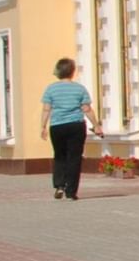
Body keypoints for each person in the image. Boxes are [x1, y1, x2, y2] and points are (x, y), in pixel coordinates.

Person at [40, 58, 100, 202]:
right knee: (74, 157)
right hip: (76, 126)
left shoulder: (51, 89)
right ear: (72, 72)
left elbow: (46, 109)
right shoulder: (79, 89)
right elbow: (87, 109)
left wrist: (43, 127)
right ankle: (71, 191)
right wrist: (96, 125)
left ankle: (59, 185)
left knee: (59, 155)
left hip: (57, 126)